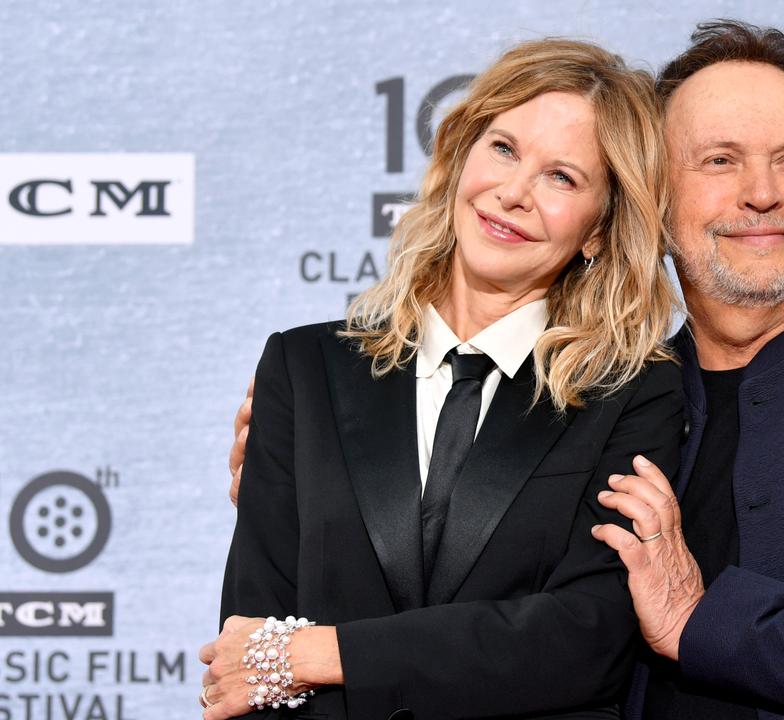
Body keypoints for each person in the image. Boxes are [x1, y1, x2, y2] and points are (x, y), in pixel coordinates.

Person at [229, 20, 784, 720]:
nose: (761, 194)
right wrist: (326, 494)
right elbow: (490, 602)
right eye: (719, 160)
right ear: (656, 202)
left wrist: (699, 620)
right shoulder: (611, 387)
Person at [200, 39, 684, 720]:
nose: (513, 193)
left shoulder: (633, 394)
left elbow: (585, 640)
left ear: (599, 229)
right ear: (460, 156)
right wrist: (283, 656)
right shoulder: (303, 371)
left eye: (562, 178)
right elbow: (250, 653)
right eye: (504, 149)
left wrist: (321, 653)